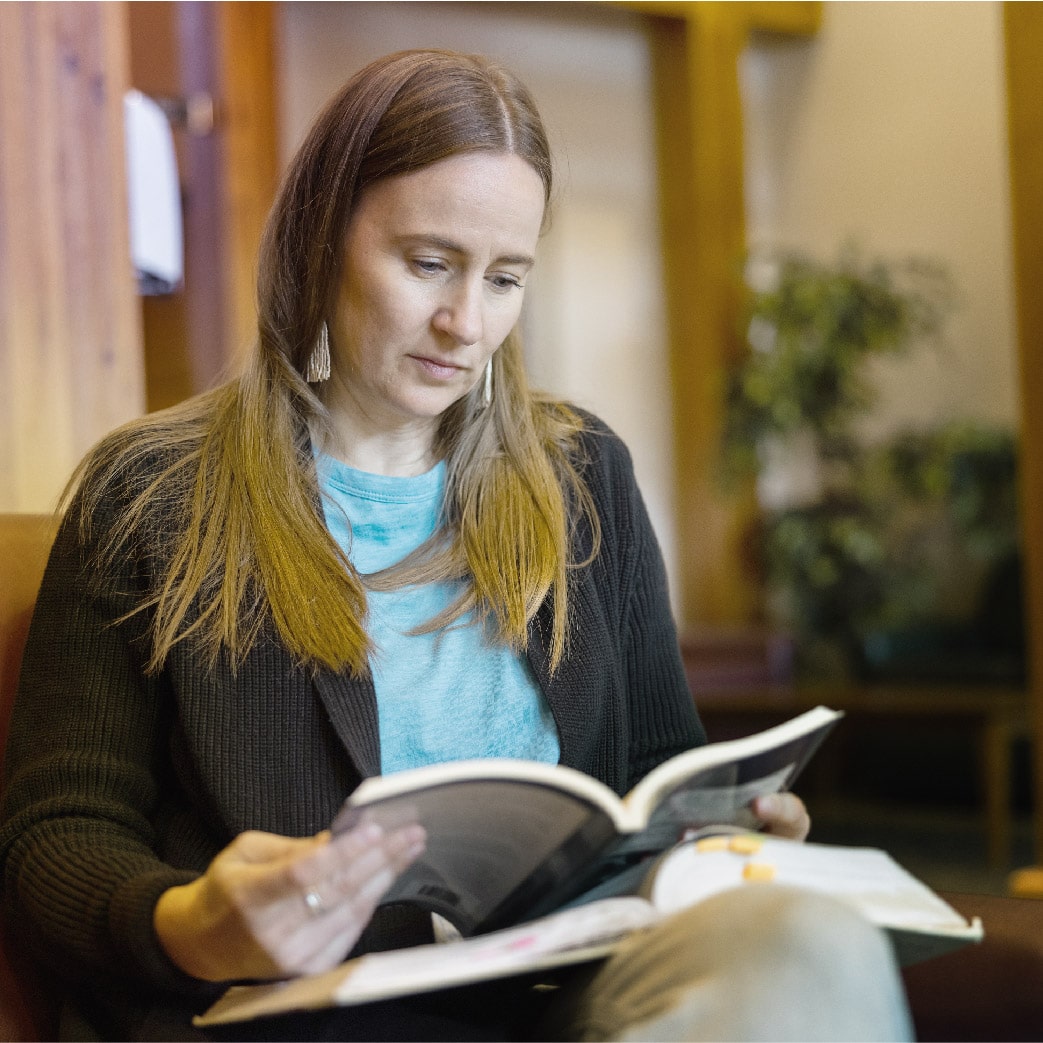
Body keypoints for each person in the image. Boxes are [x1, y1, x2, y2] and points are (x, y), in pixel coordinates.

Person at [0, 49, 911, 1042]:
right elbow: (57, 832)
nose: (465, 323)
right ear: (320, 236)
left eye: (505, 277)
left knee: (810, 942)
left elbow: (659, 764)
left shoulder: (581, 475)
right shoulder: (153, 492)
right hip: (303, 1005)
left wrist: (721, 836)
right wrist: (191, 925)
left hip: (560, 986)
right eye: (428, 262)